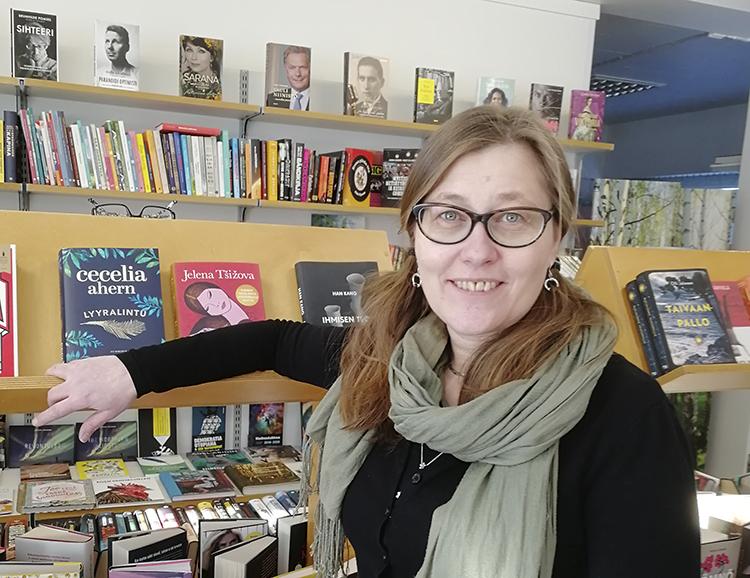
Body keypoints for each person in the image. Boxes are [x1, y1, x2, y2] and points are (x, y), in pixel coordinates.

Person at [36, 106, 699, 578]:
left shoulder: (624, 416)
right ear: (414, 234)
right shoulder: (388, 359)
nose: (477, 249)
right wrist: (132, 371)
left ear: (555, 238)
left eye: (513, 217)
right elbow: (271, 341)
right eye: (449, 215)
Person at [183, 281, 250, 335]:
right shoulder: (208, 326)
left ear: (216, 288)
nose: (215, 304)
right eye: (208, 308)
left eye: (210, 295)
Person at [180, 36, 222, 100]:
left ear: (212, 57)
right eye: (189, 50)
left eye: (201, 51)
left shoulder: (219, 84)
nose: (194, 57)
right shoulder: (183, 80)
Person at [283, 45, 311, 111]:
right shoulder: (271, 98)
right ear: (286, 69)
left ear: (310, 68)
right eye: (292, 68)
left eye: (302, 67)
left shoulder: (321, 100)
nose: (298, 74)